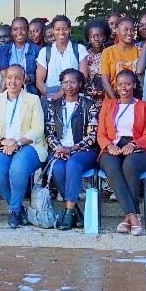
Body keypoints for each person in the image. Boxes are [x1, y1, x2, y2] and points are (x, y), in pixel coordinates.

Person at [0, 64, 47, 229]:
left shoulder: (32, 99)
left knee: (18, 168)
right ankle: (18, 208)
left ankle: (13, 211)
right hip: (2, 144)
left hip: (28, 144)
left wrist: (17, 142)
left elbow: (38, 129)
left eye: (18, 78)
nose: (13, 81)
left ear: (23, 80)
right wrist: (4, 141)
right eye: (9, 77)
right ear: (5, 79)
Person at [97, 69, 146, 235]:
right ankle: (134, 216)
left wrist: (134, 145)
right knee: (113, 167)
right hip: (111, 146)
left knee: (129, 165)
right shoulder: (108, 105)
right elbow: (101, 133)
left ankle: (128, 217)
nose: (124, 87)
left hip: (139, 147)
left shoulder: (145, 107)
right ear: (116, 86)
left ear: (134, 85)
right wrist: (109, 146)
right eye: (120, 84)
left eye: (128, 84)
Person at [44, 68, 98, 230]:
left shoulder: (89, 104)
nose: (69, 86)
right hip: (59, 150)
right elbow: (49, 132)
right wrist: (59, 147)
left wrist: (72, 148)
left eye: (73, 82)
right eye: (65, 82)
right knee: (58, 168)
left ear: (80, 84)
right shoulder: (54, 105)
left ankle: (68, 213)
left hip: (84, 151)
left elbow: (92, 135)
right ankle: (75, 211)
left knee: (73, 165)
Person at [36, 15, 89, 100]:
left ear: (70, 30)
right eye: (57, 29)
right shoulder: (44, 52)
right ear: (53, 30)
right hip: (51, 97)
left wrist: (61, 94)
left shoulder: (79, 49)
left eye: (65, 29)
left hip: (74, 97)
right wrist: (51, 96)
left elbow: (83, 78)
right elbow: (39, 82)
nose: (61, 32)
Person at [0, 17, 41, 95]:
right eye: (15, 29)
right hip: (8, 94)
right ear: (11, 32)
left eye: (23, 29)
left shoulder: (36, 50)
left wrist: (29, 77)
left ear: (27, 30)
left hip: (29, 93)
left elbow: (41, 77)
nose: (19, 33)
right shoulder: (3, 50)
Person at [99, 17, 140, 99]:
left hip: (136, 102)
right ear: (117, 30)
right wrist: (117, 103)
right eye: (126, 29)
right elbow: (105, 82)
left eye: (132, 30)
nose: (129, 33)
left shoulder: (140, 52)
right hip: (112, 101)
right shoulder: (108, 52)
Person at [83, 20, 110, 103]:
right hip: (88, 98)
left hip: (107, 97)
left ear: (105, 37)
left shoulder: (110, 54)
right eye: (93, 36)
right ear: (89, 39)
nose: (96, 39)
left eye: (99, 36)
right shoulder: (84, 56)